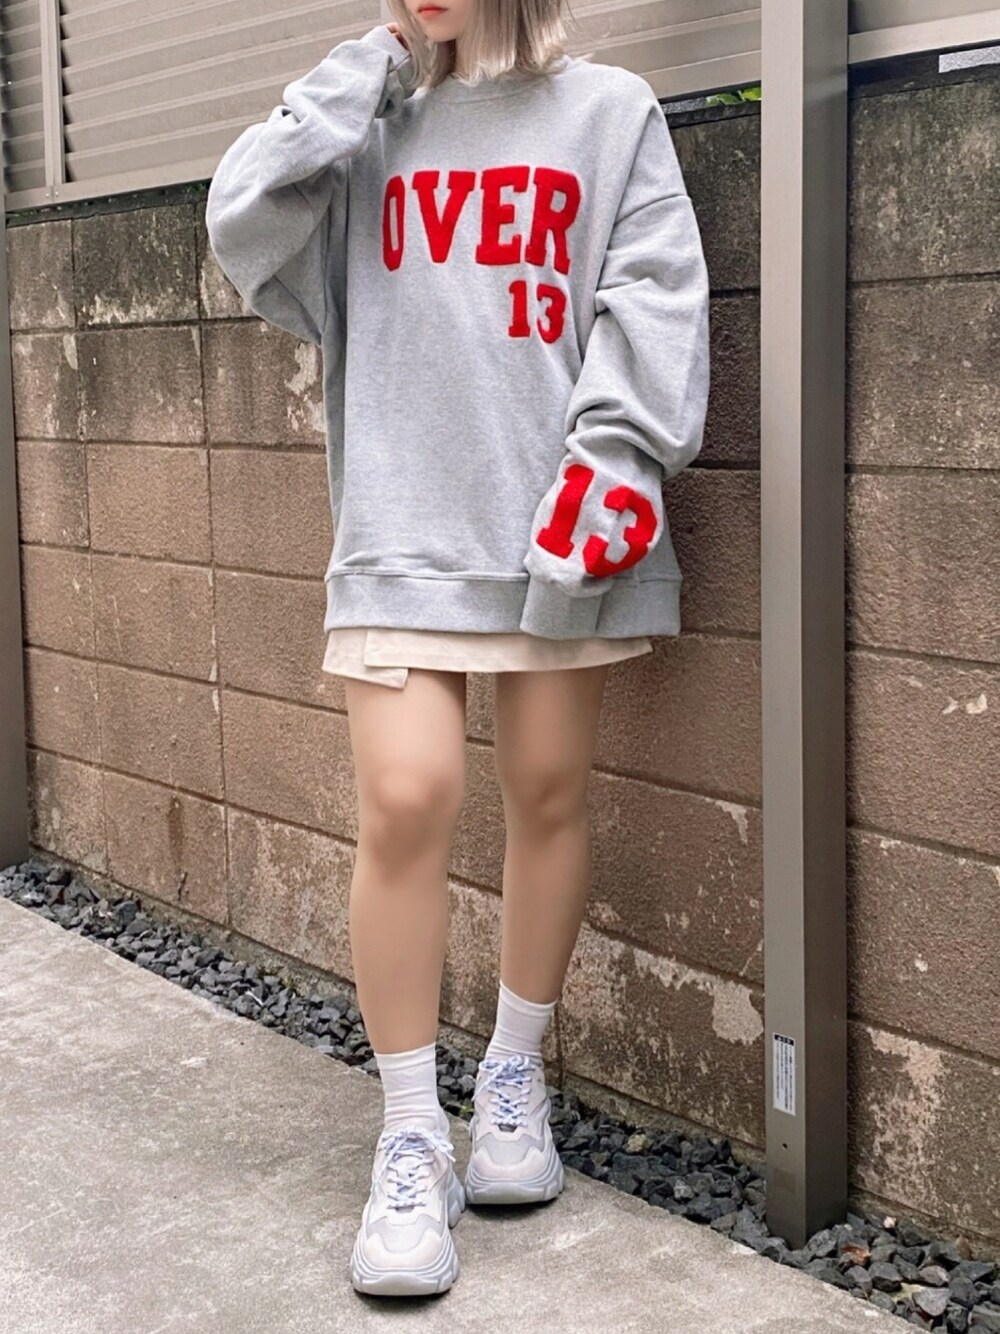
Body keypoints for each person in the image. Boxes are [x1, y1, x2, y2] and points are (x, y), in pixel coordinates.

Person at [205, 0, 710, 1299]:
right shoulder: (365, 130)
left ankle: (513, 1079)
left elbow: (653, 297)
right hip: (399, 529)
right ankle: (410, 1130)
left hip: (557, 532)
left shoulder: (610, 115)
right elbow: (242, 224)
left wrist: (614, 463)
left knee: (548, 791)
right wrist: (368, 72)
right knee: (406, 796)